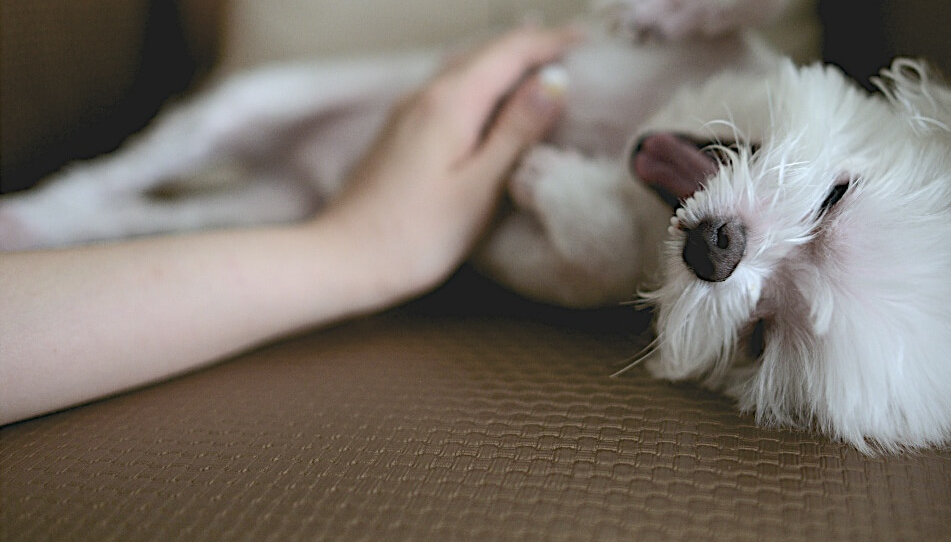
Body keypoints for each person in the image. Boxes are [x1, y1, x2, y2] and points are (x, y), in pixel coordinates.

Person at [0, 26, 578, 427]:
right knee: (238, 118)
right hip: (367, 182)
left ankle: (65, 214)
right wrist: (359, 251)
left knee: (217, 209)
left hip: (328, 207)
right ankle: (66, 209)